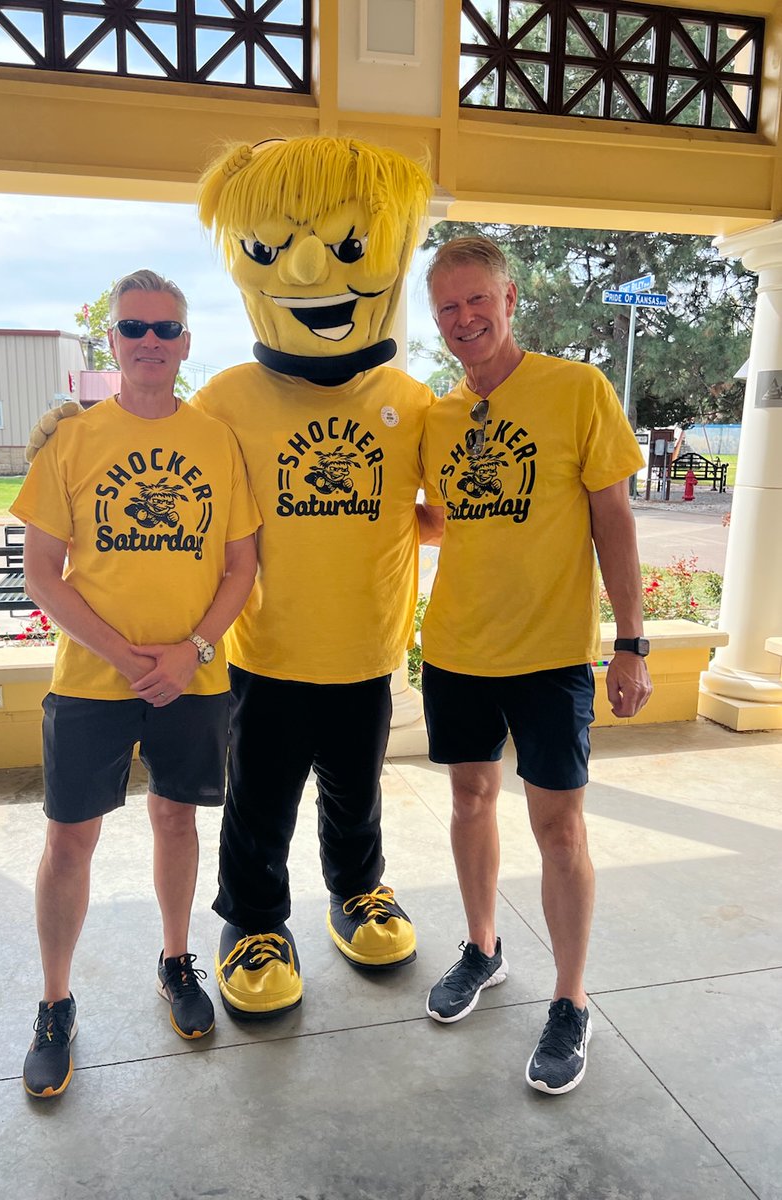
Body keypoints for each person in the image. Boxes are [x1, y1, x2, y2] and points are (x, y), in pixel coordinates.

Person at [192, 136, 439, 1019]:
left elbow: (442, 510)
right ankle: (255, 919)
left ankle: (356, 889)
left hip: (366, 647)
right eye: (271, 250)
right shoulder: (224, 398)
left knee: (356, 788)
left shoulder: (409, 400)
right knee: (257, 800)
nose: (307, 269)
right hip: (268, 645)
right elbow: (185, 494)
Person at [11, 269, 260, 1099]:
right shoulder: (73, 443)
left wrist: (190, 650)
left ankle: (175, 959)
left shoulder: (216, 441)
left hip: (191, 676)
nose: (150, 341)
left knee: (177, 822)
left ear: (186, 343)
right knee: (69, 842)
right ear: (112, 340)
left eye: (166, 329)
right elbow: (43, 574)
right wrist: (126, 657)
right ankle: (55, 1004)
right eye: (134, 328)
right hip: (92, 679)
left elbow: (241, 564)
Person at [419, 236, 652, 1095]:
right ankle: (483, 949)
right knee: (470, 800)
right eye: (447, 307)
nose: (464, 318)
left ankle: (570, 998)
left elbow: (614, 519)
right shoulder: (440, 419)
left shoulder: (576, 389)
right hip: (456, 650)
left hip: (552, 657)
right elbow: (439, 516)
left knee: (560, 829)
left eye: (477, 299)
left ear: (511, 299)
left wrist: (630, 642)